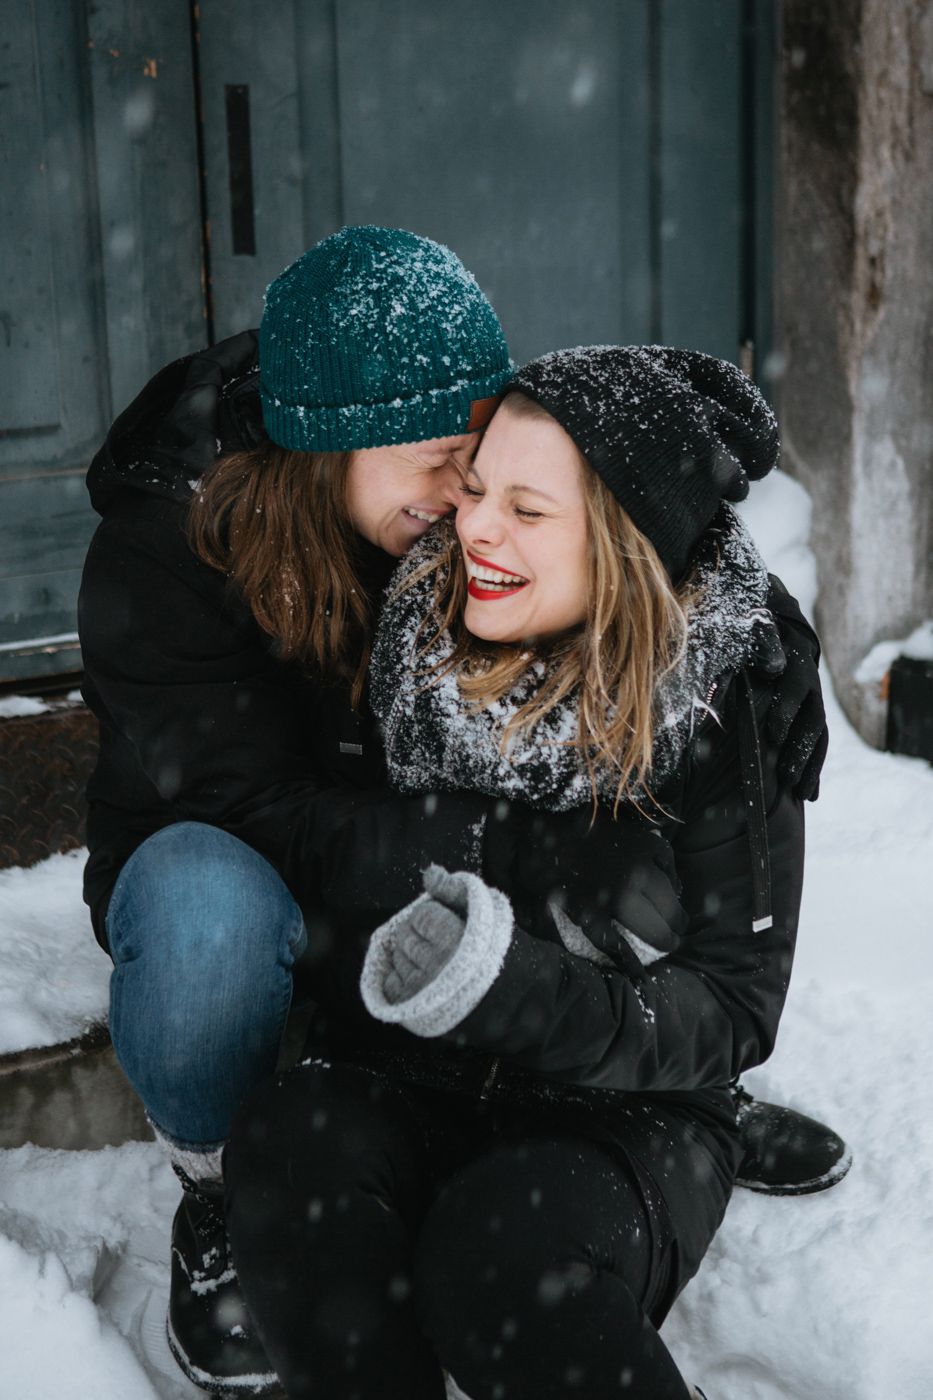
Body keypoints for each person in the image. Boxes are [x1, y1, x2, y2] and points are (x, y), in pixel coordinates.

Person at [77, 227, 842, 1395]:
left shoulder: (484, 559)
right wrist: (487, 855)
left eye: (487, 475)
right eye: (453, 468)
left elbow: (634, 526)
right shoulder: (185, 553)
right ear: (328, 448)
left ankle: (673, 1108)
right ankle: (212, 1185)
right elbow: (251, 802)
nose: (467, 513)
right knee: (218, 950)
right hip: (257, 866)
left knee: (507, 1247)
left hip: (553, 1036)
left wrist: (751, 633)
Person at [224, 345, 820, 1399]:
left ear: (626, 542)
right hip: (420, 1067)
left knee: (494, 1260)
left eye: (528, 510)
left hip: (632, 1109)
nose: (474, 526)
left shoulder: (726, 703)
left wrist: (518, 982)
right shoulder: (415, 642)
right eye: (478, 487)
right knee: (284, 1142)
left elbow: (732, 1006)